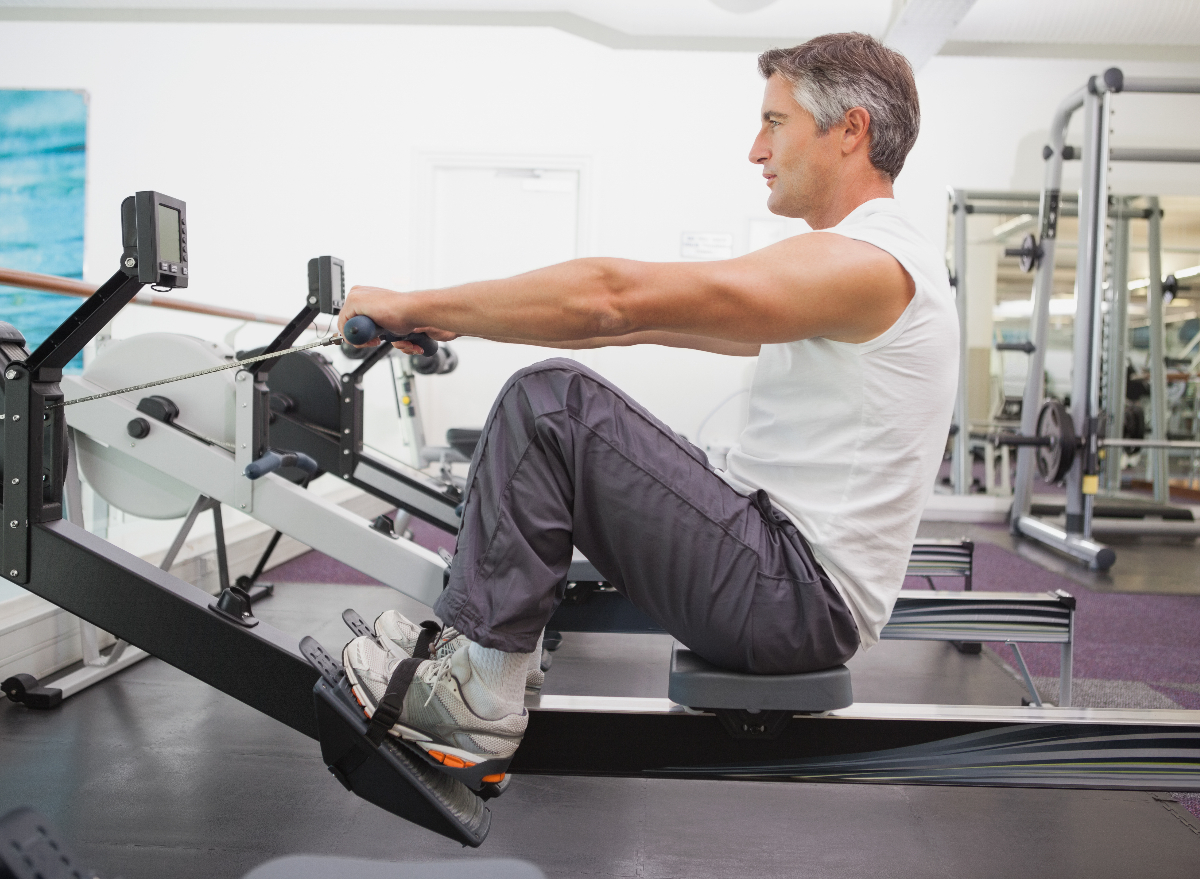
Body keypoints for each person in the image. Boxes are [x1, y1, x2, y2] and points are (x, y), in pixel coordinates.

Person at [337, 32, 959, 788]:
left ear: (851, 130)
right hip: (787, 579)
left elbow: (610, 299)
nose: (756, 150)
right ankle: (478, 657)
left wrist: (415, 301)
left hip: (793, 598)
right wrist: (459, 317)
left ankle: (475, 695)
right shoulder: (864, 263)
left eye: (775, 122)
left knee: (551, 405)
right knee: (568, 410)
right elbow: (637, 320)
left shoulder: (869, 262)